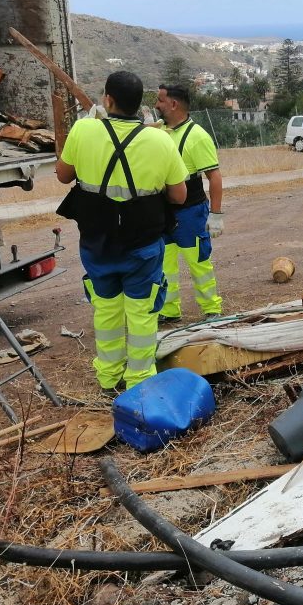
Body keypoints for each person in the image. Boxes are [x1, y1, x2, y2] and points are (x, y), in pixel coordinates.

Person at [55, 71, 187, 392]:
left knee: (106, 307)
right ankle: (140, 381)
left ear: (107, 100)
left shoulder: (84, 129)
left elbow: (63, 175)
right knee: (141, 311)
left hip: (97, 240)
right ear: (140, 104)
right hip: (142, 241)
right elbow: (179, 196)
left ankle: (108, 377)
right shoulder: (160, 138)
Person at [153, 84, 224, 322]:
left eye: (160, 101)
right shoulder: (159, 131)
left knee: (199, 263)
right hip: (163, 211)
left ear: (173, 104)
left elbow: (214, 177)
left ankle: (211, 309)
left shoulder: (198, 137)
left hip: (191, 213)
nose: (156, 105)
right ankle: (169, 311)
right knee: (165, 265)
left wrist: (215, 215)